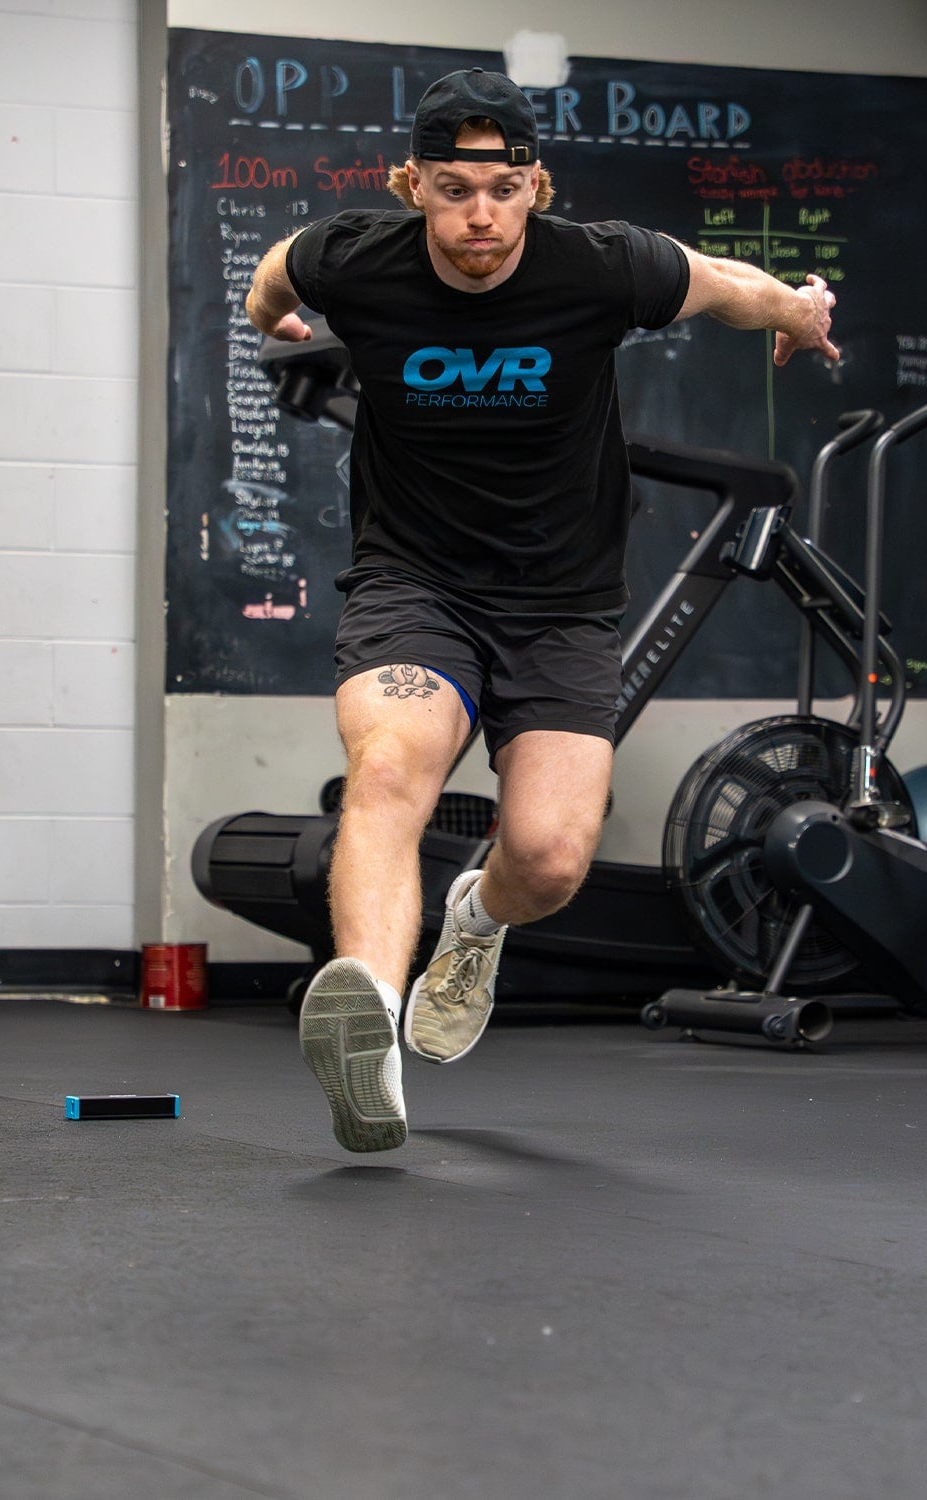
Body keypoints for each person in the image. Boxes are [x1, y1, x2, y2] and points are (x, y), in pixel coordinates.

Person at [244, 67, 839, 1152]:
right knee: (389, 769)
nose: (481, 214)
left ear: (537, 186)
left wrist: (801, 311)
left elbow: (726, 285)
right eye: (454, 190)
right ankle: (370, 1031)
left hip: (561, 605)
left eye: (503, 189)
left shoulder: (604, 267)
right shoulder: (355, 258)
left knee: (553, 857)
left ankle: (474, 922)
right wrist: (275, 320)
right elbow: (273, 275)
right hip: (414, 584)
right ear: (413, 186)